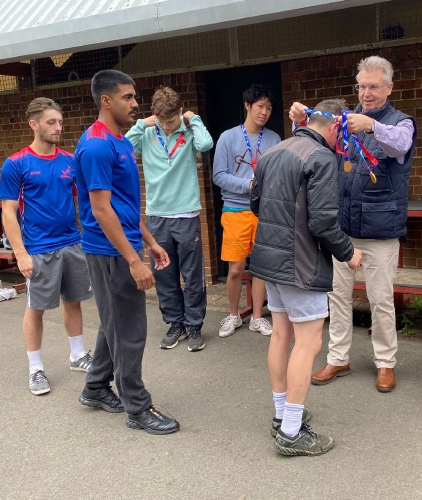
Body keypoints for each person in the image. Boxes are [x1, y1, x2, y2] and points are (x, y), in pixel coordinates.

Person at [290, 55, 417, 393]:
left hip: (380, 232)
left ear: (389, 88)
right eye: (361, 87)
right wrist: (299, 122)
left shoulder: (402, 123)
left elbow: (400, 145)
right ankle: (338, 357)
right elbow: (313, 142)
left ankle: (385, 363)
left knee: (381, 300)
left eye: (373, 87)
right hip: (343, 229)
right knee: (337, 297)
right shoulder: (342, 122)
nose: (366, 93)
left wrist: (372, 125)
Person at [251, 98, 362, 457]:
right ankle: (291, 432)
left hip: (269, 259)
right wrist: (348, 252)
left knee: (281, 334)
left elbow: (255, 204)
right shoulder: (321, 157)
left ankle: (282, 415)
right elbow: (323, 222)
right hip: (300, 262)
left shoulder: (272, 152)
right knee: (309, 342)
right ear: (335, 126)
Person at [75, 69, 179, 435]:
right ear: (106, 100)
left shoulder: (118, 140)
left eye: (134, 96)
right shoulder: (96, 145)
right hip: (109, 253)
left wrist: (149, 242)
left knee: (114, 324)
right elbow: (101, 210)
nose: (136, 103)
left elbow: (123, 206)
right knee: (130, 331)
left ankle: (95, 387)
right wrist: (134, 261)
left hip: (124, 245)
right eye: (128, 97)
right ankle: (137, 406)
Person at [0, 97, 94, 396]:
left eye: (60, 122)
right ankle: (35, 368)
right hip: (38, 248)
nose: (58, 127)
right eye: (51, 122)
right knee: (36, 309)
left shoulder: (69, 161)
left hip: (72, 243)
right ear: (34, 124)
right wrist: (21, 254)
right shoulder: (16, 164)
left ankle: (77, 355)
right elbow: (8, 212)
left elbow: (85, 203)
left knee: (74, 301)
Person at [126, 86, 213, 352]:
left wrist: (193, 119)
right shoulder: (147, 132)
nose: (166, 125)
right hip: (157, 215)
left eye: (171, 120)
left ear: (180, 112)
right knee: (163, 274)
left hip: (186, 214)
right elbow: (122, 148)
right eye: (162, 120)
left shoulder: (189, 130)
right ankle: (176, 323)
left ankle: (194, 324)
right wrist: (142, 124)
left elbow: (205, 144)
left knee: (192, 274)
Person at [213, 84, 281, 338]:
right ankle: (233, 315)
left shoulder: (274, 139)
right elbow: (219, 175)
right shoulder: (227, 138)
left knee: (261, 268)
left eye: (269, 108)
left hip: (263, 211)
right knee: (235, 268)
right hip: (235, 210)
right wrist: (248, 185)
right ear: (247, 106)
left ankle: (257, 317)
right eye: (260, 106)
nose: (264, 112)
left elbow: (278, 172)